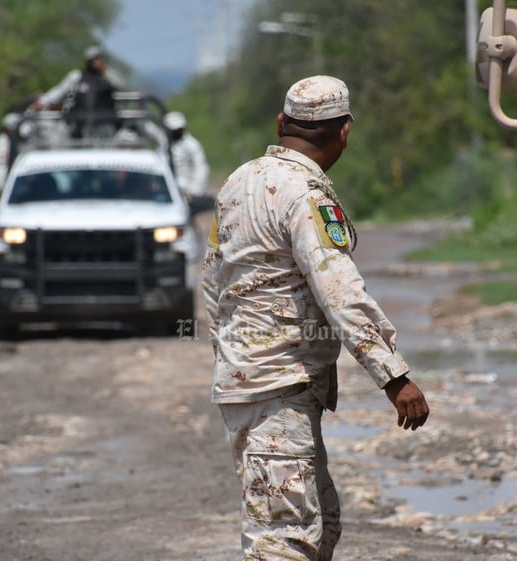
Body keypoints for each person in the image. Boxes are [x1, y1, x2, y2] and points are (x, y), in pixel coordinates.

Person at [201, 75, 430, 561]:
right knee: (284, 541)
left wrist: (230, 358)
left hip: (253, 381)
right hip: (276, 385)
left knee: (320, 523)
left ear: (282, 123)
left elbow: (211, 280)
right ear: (344, 132)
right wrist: (393, 376)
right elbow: (339, 289)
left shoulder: (236, 181)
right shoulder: (306, 195)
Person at [34, 46, 126, 138]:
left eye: (98, 59)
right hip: (78, 123)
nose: (94, 62)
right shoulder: (77, 76)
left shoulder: (109, 77)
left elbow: (121, 85)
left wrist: (103, 71)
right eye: (92, 60)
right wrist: (43, 101)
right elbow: (59, 91)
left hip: (103, 123)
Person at [163, 111, 210, 197]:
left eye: (178, 130)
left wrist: (195, 191)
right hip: (164, 189)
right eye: (173, 130)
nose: (176, 132)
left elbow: (201, 167)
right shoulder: (163, 142)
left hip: (186, 190)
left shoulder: (192, 145)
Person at [0, 113, 22, 191]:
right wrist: (3, 188)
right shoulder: (3, 143)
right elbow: (1, 167)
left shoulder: (12, 142)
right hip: (1, 189)